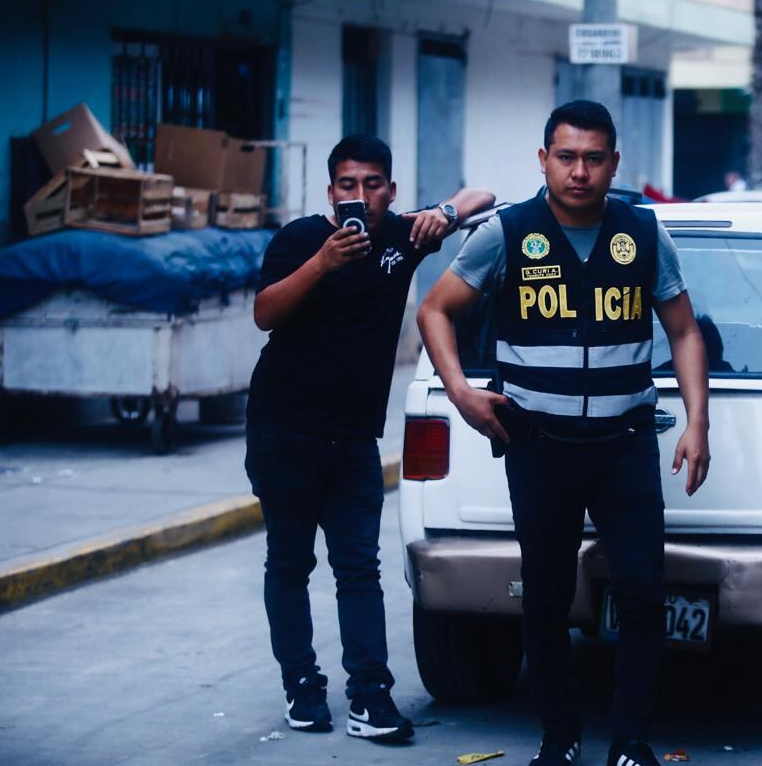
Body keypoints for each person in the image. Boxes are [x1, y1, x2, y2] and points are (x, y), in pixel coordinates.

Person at [417, 100, 711, 766]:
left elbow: (684, 330)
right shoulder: (507, 232)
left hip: (624, 444)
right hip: (539, 445)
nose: (580, 171)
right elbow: (435, 309)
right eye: (567, 156)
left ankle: (631, 740)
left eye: (594, 158)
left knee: (641, 590)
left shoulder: (643, 232)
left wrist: (698, 420)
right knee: (546, 596)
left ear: (614, 163)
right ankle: (560, 735)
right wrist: (461, 393)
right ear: (544, 160)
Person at [244, 135, 494, 738]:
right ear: (331, 192)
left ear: (391, 190)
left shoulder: (401, 238)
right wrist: (323, 263)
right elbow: (265, 313)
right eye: (349, 186)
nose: (362, 196)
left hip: (353, 441)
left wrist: (446, 214)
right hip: (283, 431)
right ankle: (301, 688)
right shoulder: (300, 240)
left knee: (359, 569)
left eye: (373, 184)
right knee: (289, 563)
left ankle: (369, 697)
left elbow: (484, 195)